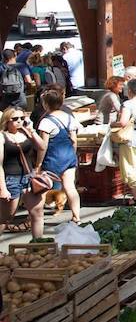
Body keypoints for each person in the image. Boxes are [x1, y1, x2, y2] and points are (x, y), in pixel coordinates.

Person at [36, 88, 81, 222]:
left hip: (52, 158)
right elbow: (74, 140)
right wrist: (73, 154)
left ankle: (36, 216)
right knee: (70, 187)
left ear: (45, 104)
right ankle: (76, 216)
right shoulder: (69, 117)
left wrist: (38, 164)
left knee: (42, 188)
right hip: (68, 156)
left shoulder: (46, 121)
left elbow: (42, 146)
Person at [1, 106, 47, 236]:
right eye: (15, 119)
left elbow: (42, 146)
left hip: (29, 177)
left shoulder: (26, 132)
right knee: (6, 218)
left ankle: (37, 246)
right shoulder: (2, 137)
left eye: (22, 118)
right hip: (10, 178)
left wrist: (31, 131)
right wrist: (2, 188)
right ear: (7, 121)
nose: (19, 121)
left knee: (37, 212)